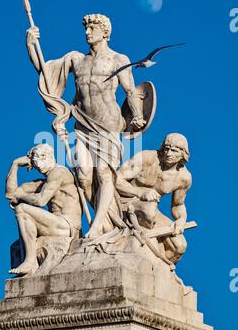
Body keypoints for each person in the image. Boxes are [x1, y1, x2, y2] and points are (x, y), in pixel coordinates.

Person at [26, 14, 145, 238]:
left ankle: (98, 224)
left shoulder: (118, 59)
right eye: (86, 28)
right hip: (82, 124)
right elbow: (45, 72)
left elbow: (131, 92)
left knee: (103, 173)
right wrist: (31, 44)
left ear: (105, 32)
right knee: (83, 176)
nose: (87, 32)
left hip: (108, 124)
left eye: (92, 28)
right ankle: (106, 220)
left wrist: (137, 115)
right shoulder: (76, 59)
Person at [5, 143, 82, 275]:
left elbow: (41, 200)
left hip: (68, 225)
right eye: (34, 162)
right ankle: (26, 274)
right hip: (56, 224)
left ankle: (30, 262)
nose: (38, 165)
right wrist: (15, 164)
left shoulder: (59, 172)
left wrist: (21, 198)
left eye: (41, 159)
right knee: (16, 247)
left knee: (22, 209)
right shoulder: (43, 183)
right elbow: (10, 194)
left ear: (49, 157)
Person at [116, 133, 192, 264]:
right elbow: (115, 179)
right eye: (166, 148)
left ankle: (157, 267)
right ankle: (140, 247)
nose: (168, 153)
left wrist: (181, 219)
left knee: (179, 247)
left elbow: (178, 205)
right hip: (125, 200)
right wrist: (139, 192)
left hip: (152, 209)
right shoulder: (147, 158)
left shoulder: (183, 178)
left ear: (183, 154)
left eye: (174, 150)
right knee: (149, 212)